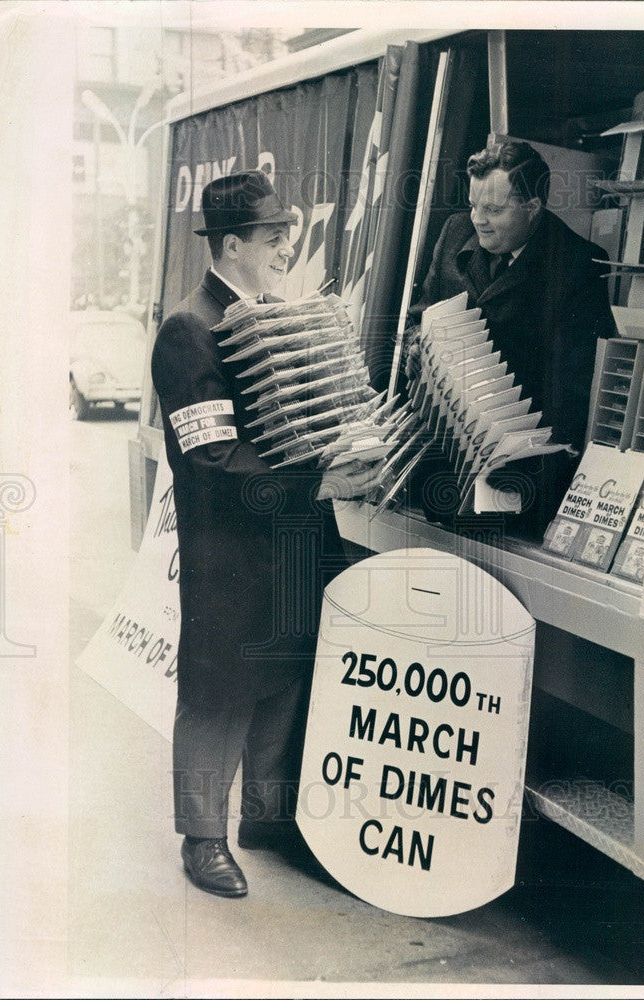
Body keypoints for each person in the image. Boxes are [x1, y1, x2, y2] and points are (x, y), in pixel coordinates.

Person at [151, 171, 380, 898]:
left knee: (282, 679)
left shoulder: (269, 313)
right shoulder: (190, 330)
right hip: (230, 549)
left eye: (287, 233)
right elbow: (214, 457)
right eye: (272, 235)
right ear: (229, 244)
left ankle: (267, 820)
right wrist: (317, 480)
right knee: (220, 689)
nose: (286, 245)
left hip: (285, 540)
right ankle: (202, 837)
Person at [406, 139, 617, 535]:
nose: (478, 219)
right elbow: (419, 315)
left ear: (533, 207)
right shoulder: (455, 232)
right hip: (444, 460)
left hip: (519, 475)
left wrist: (533, 472)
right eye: (473, 205)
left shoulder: (579, 266)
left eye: (493, 209)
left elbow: (576, 396)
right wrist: (416, 345)